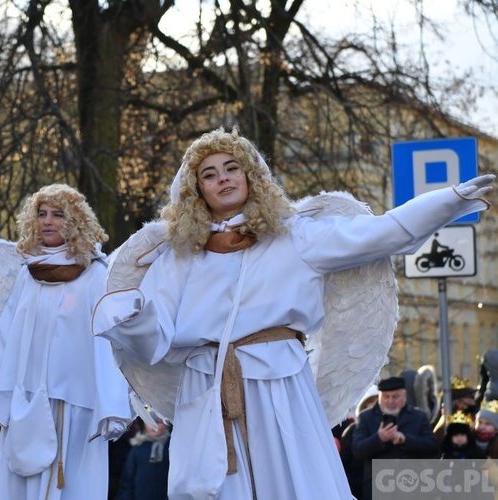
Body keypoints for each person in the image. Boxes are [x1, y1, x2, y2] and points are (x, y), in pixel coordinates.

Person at [91, 127, 492, 499]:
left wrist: (449, 200)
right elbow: (155, 337)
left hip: (277, 381)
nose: (223, 179)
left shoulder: (294, 236)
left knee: (296, 482)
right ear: (198, 190)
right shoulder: (178, 255)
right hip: (206, 387)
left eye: (232, 168)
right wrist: (129, 317)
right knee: (211, 484)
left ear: (251, 176)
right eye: (210, 175)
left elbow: (382, 233)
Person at [0, 184, 131, 500]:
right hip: (26, 402)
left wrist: (113, 404)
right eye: (41, 214)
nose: (47, 221)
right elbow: (5, 335)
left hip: (77, 404)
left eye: (57, 214)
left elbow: (108, 341)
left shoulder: (96, 274)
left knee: (72, 485)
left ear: (75, 221)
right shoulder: (28, 275)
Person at [352, 377, 439, 500]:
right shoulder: (366, 418)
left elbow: (432, 447)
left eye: (395, 396)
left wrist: (406, 440)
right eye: (386, 397)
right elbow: (357, 450)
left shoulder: (418, 417)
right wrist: (379, 438)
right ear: (380, 397)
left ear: (404, 396)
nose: (390, 401)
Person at [340, 385, 378, 499]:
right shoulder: (351, 431)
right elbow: (344, 462)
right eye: (370, 402)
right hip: (356, 489)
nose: (374, 406)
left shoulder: (392, 430)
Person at [116, 419, 170, 500]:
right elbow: (128, 478)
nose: (153, 426)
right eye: (149, 423)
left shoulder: (171, 448)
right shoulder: (138, 448)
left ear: (166, 425)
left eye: (158, 423)